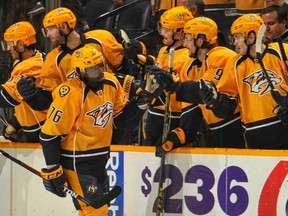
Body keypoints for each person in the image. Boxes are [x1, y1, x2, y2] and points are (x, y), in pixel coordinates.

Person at [39, 44, 164, 215]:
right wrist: (53, 168)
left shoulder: (111, 83)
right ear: (80, 71)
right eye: (92, 69)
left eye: (101, 66)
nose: (99, 72)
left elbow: (122, 122)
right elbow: (48, 135)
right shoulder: (70, 94)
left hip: (100, 158)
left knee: (97, 210)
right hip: (77, 162)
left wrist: (144, 99)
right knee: (94, 211)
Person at [150, 16, 245, 155]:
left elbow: (205, 91)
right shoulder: (194, 66)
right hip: (217, 130)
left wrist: (176, 86)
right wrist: (179, 135)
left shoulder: (222, 56)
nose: (185, 43)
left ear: (200, 41)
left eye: (188, 39)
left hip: (235, 126)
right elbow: (192, 108)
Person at [199, 14, 288, 149]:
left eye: (237, 37)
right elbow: (228, 107)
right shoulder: (235, 64)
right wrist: (216, 101)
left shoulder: (282, 51)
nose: (234, 42)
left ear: (251, 37)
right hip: (255, 138)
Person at [144, 6, 193, 147]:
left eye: (167, 30)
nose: (162, 33)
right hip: (155, 112)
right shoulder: (164, 50)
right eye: (162, 29)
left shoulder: (187, 56)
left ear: (180, 33)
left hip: (173, 115)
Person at [0, 21, 47, 142]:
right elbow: (24, 97)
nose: (9, 48)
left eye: (11, 43)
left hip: (43, 132)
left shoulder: (31, 66)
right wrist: (16, 122)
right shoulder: (30, 59)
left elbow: (5, 97)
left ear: (21, 44)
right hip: (38, 127)